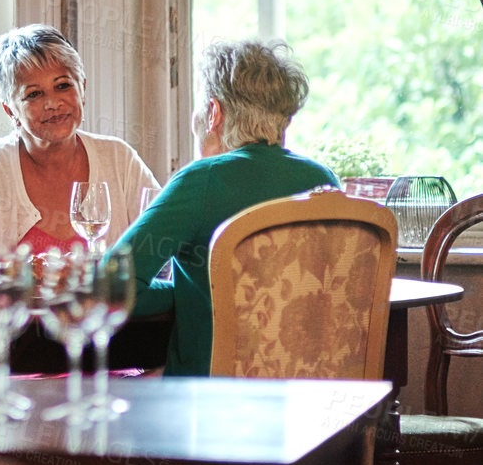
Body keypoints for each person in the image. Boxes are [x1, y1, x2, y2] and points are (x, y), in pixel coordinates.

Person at [113, 38, 339, 376]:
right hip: (299, 402)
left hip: (209, 401)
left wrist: (191, 293)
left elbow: (109, 285)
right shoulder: (323, 181)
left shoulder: (201, 181)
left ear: (214, 113)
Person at [0, 24, 159, 264]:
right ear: (10, 110)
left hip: (106, 302)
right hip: (14, 302)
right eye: (34, 94)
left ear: (82, 88)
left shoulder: (119, 157)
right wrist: (25, 269)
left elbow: (162, 234)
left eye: (63, 85)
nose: (53, 103)